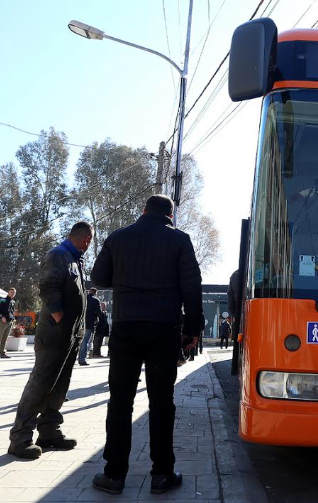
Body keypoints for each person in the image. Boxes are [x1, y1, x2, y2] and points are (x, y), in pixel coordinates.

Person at [90, 195, 202, 495]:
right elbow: (192, 287)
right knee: (162, 403)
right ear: (170, 215)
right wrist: (193, 329)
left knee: (120, 402)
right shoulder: (180, 240)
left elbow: (98, 277)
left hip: (126, 328)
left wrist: (128, 278)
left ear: (142, 211)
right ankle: (162, 474)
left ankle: (113, 475)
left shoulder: (118, 238)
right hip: (164, 329)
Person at [6, 222, 92, 460]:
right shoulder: (59, 255)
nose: (89, 245)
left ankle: (49, 432)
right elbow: (47, 287)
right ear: (86, 239)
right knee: (41, 383)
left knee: (59, 385)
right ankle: (20, 438)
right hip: (55, 332)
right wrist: (58, 315)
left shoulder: (75, 260)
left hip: (70, 334)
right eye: (89, 241)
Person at [0, 288, 17, 359]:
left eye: (14, 293)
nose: (13, 294)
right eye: (11, 292)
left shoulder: (13, 302)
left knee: (5, 339)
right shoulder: (3, 300)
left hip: (10, 322)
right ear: (8, 292)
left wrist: (13, 319)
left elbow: (11, 311)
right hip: (2, 322)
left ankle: (2, 352)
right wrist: (1, 317)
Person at [80, 288, 101, 365]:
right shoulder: (96, 301)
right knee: (86, 341)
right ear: (95, 293)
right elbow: (99, 312)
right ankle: (82, 359)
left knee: (80, 340)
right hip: (90, 323)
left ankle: (78, 357)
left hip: (80, 323)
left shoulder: (83, 299)